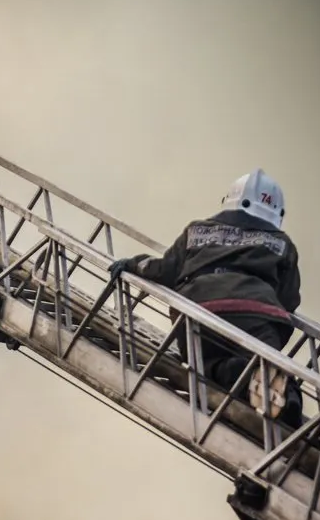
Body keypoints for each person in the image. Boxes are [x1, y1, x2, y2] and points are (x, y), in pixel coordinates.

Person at [109, 170, 303, 423]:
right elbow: (288, 301)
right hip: (257, 318)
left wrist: (133, 264)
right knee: (272, 370)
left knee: (200, 365)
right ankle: (288, 403)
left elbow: (165, 270)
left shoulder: (197, 231)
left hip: (198, 312)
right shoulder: (282, 244)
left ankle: (232, 372)